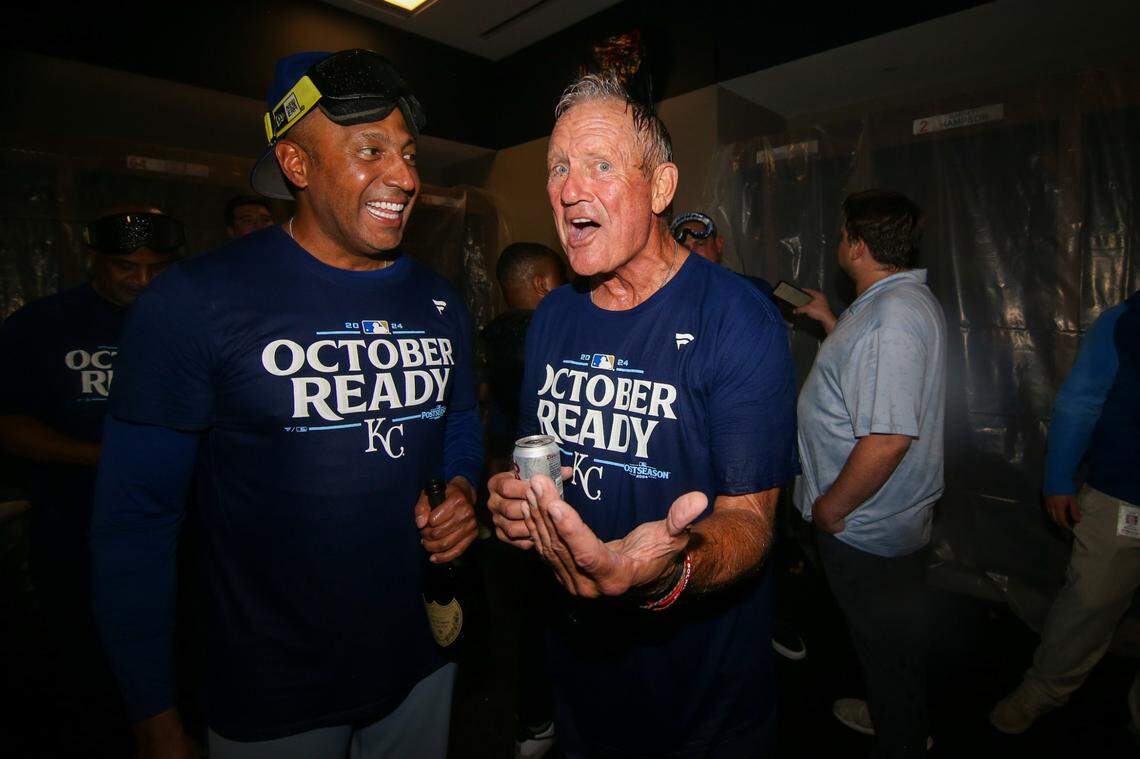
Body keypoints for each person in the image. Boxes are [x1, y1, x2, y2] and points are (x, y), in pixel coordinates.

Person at [90, 49, 482, 759]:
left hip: (421, 660)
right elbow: (134, 523)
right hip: (272, 690)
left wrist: (461, 486)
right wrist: (152, 713)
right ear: (297, 166)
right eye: (370, 150)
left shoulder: (440, 301)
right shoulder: (193, 304)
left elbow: (458, 419)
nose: (405, 176)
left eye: (408, 152)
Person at [487, 72, 797, 758]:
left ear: (660, 188)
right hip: (582, 683)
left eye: (599, 165)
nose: (570, 189)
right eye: (558, 168)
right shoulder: (553, 317)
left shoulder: (736, 317)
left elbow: (750, 522)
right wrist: (514, 504)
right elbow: (540, 458)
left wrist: (671, 565)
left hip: (702, 703)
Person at [0, 207, 184, 750]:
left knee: (176, 654)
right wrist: (101, 457)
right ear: (95, 260)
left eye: (158, 268)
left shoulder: (185, 324)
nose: (143, 281)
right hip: (73, 525)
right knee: (85, 665)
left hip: (177, 529)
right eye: (127, 267)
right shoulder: (41, 326)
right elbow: (8, 424)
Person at [793, 189, 945, 757]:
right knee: (887, 643)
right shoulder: (889, 302)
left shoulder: (892, 318)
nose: (839, 243)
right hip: (874, 522)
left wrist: (832, 508)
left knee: (886, 648)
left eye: (841, 235)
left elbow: (887, 439)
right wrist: (830, 320)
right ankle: (894, 713)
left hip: (865, 526)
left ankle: (902, 732)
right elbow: (871, 377)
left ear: (856, 244)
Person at [990, 289, 1140, 738]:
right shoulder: (1126, 321)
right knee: (1089, 601)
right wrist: (1058, 478)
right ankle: (1044, 689)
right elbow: (1081, 400)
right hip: (1124, 494)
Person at [670, 210, 805, 662]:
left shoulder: (749, 293)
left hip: (754, 432)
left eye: (701, 237)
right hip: (697, 438)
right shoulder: (669, 296)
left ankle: (772, 619)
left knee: (761, 525)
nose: (692, 245)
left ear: (719, 244)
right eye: (682, 238)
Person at [480, 241, 567, 759]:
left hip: (509, 481)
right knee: (542, 612)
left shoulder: (493, 331)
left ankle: (537, 717)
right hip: (538, 487)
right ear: (541, 285)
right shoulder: (536, 331)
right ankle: (539, 719)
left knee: (529, 611)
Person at [669, 211, 773, 296]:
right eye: (685, 248)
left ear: (718, 244)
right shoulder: (672, 298)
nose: (692, 253)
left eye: (700, 244)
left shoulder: (753, 290)